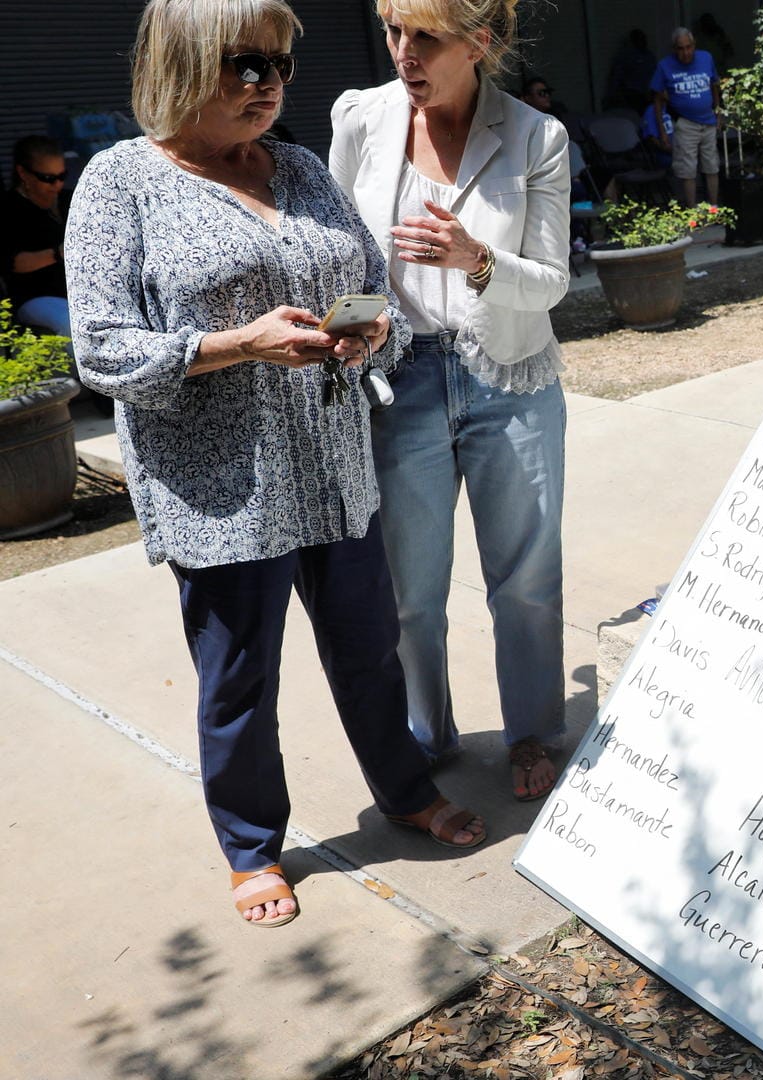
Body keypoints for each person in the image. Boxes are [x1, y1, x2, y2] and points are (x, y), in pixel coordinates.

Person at [66, 0, 487, 929]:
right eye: (244, 65)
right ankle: (252, 848)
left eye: (280, 66)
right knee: (241, 677)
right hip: (222, 490)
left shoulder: (297, 165)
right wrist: (236, 344)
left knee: (371, 652)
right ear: (180, 65)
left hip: (334, 467)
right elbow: (99, 353)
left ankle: (406, 791)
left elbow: (366, 279)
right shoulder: (119, 184)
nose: (268, 85)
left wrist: (369, 327)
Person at [332, 0, 572, 802]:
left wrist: (477, 260)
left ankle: (533, 729)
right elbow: (341, 253)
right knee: (411, 591)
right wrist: (347, 327)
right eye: (394, 32)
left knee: (526, 579)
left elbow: (552, 282)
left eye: (426, 37)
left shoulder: (537, 137)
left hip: (510, 377)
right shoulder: (363, 118)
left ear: (483, 42)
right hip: (400, 382)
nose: (405, 52)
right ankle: (422, 738)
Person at [2, 135, 70, 335]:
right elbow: (13, 262)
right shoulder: (8, 209)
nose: (57, 185)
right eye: (48, 179)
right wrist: (59, 253)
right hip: (35, 297)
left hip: (81, 292)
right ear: (23, 173)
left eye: (62, 176)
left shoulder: (70, 198)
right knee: (70, 323)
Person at [652, 27, 721, 208]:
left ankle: (714, 209)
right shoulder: (665, 66)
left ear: (694, 45)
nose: (686, 52)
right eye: (681, 48)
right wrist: (663, 133)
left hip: (708, 121)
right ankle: (692, 212)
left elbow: (715, 86)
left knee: (712, 167)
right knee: (687, 170)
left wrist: (719, 112)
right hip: (685, 122)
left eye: (689, 47)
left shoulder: (706, 58)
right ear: (674, 49)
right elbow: (657, 100)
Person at [603, 29, 656, 114]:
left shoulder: (650, 56)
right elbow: (616, 77)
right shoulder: (626, 57)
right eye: (639, 39)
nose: (642, 41)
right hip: (632, 95)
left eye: (643, 39)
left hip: (649, 94)